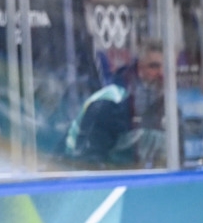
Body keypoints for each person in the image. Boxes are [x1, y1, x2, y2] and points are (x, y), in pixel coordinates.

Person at [66, 40, 167, 168]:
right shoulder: (109, 104)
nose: (162, 73)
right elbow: (88, 163)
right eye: (154, 66)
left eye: (167, 67)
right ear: (139, 69)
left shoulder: (170, 109)